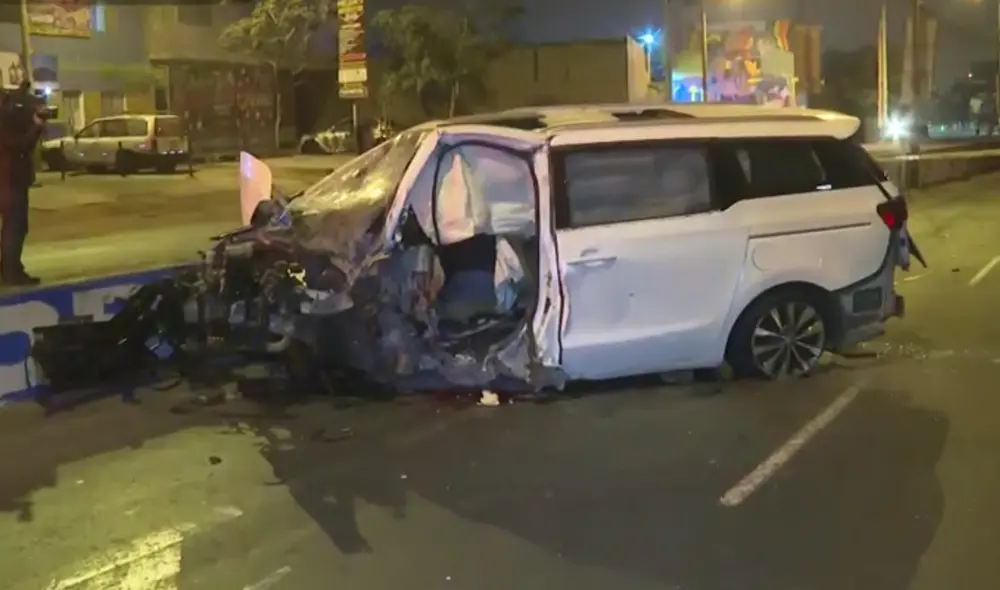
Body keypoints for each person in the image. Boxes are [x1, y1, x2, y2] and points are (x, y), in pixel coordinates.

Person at [0, 83, 44, 285]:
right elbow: (20, 146)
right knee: (15, 227)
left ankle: (9, 269)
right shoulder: (4, 120)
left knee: (13, 227)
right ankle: (11, 272)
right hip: (9, 179)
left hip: (9, 179)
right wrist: (36, 126)